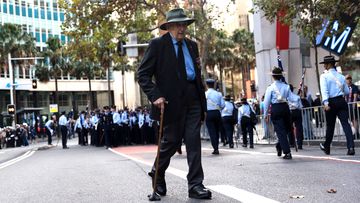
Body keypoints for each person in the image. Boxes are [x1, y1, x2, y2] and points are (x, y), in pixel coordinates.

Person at [137, 8, 211, 199]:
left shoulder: (192, 45)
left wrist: (202, 104)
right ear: (168, 26)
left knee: (193, 141)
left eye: (184, 24)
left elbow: (196, 75)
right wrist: (155, 95)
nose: (182, 28)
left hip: (193, 98)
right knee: (171, 141)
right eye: (178, 24)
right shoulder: (157, 45)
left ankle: (196, 185)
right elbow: (143, 75)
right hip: (169, 102)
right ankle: (158, 172)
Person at [319, 55, 355, 155]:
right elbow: (347, 92)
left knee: (330, 126)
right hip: (341, 101)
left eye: (325, 64)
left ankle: (327, 147)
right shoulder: (341, 76)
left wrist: (325, 102)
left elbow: (324, 91)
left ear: (329, 64)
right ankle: (351, 147)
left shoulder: (324, 76)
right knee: (346, 124)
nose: (324, 66)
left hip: (331, 102)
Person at [263, 67, 292, 159]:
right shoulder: (286, 86)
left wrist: (265, 114)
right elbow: (291, 98)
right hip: (285, 108)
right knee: (286, 130)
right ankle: (284, 149)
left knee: (281, 131)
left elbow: (266, 102)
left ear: (273, 77)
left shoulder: (270, 88)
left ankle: (282, 148)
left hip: (276, 108)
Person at [205, 78, 225, 154]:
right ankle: (217, 145)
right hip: (217, 113)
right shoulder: (218, 94)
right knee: (216, 131)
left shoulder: (205, 94)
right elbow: (223, 105)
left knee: (211, 131)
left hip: (209, 113)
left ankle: (215, 148)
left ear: (207, 85)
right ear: (214, 85)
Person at [288, 84, 304, 149]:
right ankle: (300, 144)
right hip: (297, 112)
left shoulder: (286, 97)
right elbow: (301, 106)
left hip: (290, 112)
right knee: (299, 128)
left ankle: (291, 143)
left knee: (290, 128)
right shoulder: (297, 97)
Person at [345, 74, 359, 139]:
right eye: (347, 78)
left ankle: (356, 133)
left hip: (353, 106)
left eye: (349, 78)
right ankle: (354, 133)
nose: (349, 80)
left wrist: (353, 106)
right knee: (350, 120)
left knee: (354, 119)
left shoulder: (354, 87)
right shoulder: (345, 87)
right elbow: (345, 97)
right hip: (347, 106)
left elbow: (355, 96)